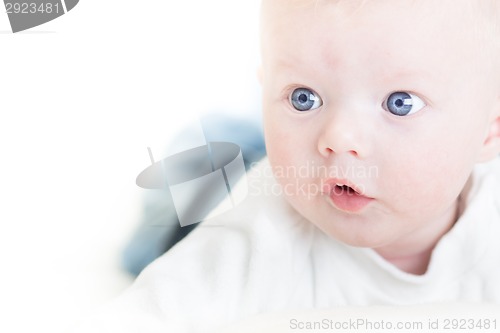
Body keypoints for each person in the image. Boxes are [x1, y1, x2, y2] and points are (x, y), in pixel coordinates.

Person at [74, 0, 500, 332]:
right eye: (303, 96)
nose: (339, 138)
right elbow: (142, 318)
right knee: (181, 196)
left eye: (400, 103)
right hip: (226, 186)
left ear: (488, 131)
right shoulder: (255, 241)